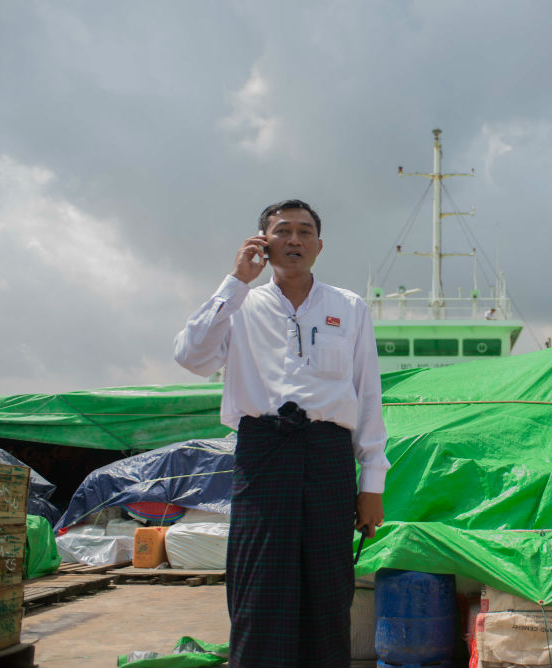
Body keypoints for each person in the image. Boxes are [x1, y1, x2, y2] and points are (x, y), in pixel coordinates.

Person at [174, 199, 390, 668]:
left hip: (328, 455)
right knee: (260, 583)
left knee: (328, 586)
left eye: (305, 231)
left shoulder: (348, 307)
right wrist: (236, 281)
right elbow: (191, 357)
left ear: (319, 245)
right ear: (262, 242)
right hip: (263, 454)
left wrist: (372, 483)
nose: (294, 240)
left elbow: (367, 394)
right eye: (283, 231)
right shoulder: (240, 304)